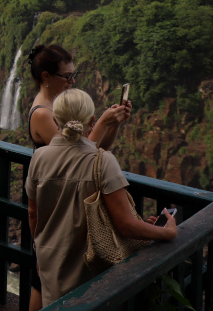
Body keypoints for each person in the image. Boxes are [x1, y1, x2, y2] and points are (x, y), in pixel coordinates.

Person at [25, 89, 177, 306]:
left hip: (50, 260)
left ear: (55, 120)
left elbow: (33, 213)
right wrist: (166, 232)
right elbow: (126, 226)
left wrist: (39, 252)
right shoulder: (103, 161)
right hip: (89, 268)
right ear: (92, 121)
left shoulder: (39, 158)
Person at [25, 44, 133, 310]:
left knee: (50, 279)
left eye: (74, 75)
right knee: (45, 279)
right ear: (46, 76)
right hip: (54, 197)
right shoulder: (43, 113)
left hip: (67, 193)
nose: (72, 82)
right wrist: (103, 123)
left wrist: (113, 124)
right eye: (67, 76)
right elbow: (76, 155)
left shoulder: (61, 108)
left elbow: (97, 151)